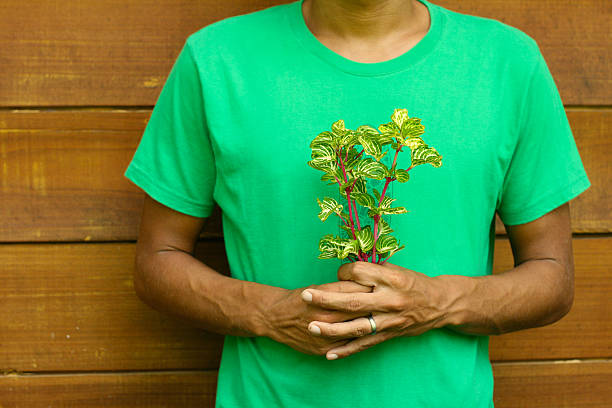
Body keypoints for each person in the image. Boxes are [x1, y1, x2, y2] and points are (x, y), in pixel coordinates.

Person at [124, 0, 591, 406]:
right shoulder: (216, 59)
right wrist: (269, 313)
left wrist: (436, 303)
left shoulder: (508, 62)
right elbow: (157, 260)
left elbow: (552, 277)